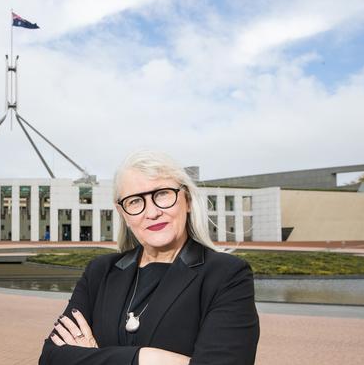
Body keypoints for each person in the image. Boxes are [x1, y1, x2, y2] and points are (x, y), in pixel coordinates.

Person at [39, 150, 259, 365]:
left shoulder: (226, 276)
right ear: (123, 213)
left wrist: (94, 357)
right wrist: (147, 358)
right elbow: (50, 357)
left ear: (188, 200)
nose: (152, 212)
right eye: (135, 201)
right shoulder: (99, 272)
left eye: (162, 193)